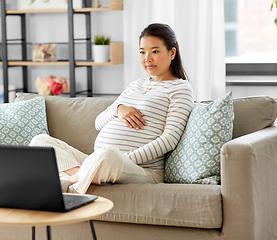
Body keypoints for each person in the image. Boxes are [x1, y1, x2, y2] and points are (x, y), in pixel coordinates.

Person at [30, 23, 194, 194]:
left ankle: (68, 183)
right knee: (40, 142)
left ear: (172, 52)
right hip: (100, 161)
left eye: (155, 51)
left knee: (109, 155)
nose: (147, 58)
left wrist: (124, 159)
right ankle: (83, 176)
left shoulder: (180, 89)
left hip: (142, 170)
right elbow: (98, 122)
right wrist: (119, 109)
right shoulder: (136, 85)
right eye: (142, 51)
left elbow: (169, 140)